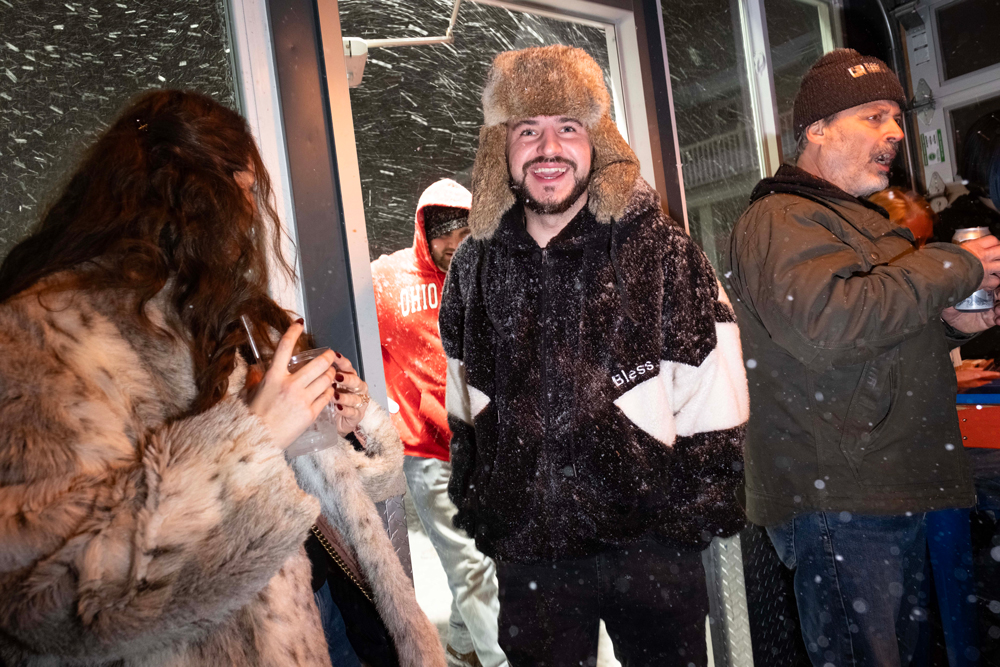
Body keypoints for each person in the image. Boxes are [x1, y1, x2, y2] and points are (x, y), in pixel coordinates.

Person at [0, 90, 445, 667]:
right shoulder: (42, 337)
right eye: (236, 187)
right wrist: (251, 438)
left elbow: (322, 495)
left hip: (324, 615)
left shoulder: (232, 313)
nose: (246, 212)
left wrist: (343, 424)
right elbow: (45, 603)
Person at [439, 45, 750, 666]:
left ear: (596, 140)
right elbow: (464, 396)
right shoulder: (474, 265)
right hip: (532, 552)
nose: (547, 148)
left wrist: (689, 518)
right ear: (502, 147)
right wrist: (482, 501)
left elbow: (714, 388)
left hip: (650, 546)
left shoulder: (661, 250)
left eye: (567, 128)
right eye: (528, 131)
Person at [728, 49, 1000, 667]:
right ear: (817, 130)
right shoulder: (782, 217)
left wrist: (951, 327)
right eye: (875, 116)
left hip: (877, 484)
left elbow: (868, 337)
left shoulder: (855, 220)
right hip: (841, 498)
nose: (896, 133)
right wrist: (955, 265)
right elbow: (827, 324)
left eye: (897, 118)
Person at [371, 179, 506, 667]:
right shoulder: (388, 280)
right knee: (471, 566)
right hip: (429, 452)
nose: (454, 244)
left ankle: (463, 649)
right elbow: (340, 319)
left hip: (489, 446)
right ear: (422, 233)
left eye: (464, 230)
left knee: (489, 559)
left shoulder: (488, 276)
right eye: (442, 232)